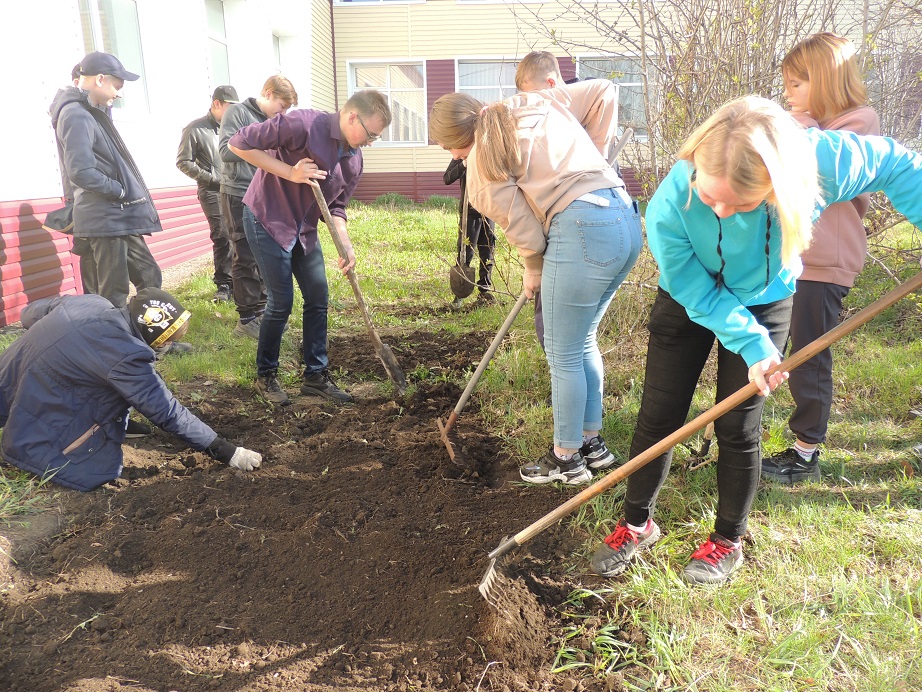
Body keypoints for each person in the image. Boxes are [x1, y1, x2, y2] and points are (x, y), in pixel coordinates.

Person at [588, 96, 922, 586]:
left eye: (741, 204)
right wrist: (754, 345)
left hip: (766, 297)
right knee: (659, 414)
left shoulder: (817, 162)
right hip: (689, 297)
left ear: (778, 188)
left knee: (738, 423)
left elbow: (898, 162)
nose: (720, 210)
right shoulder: (669, 204)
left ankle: (727, 539)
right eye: (709, 198)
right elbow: (696, 291)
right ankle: (636, 523)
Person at [429, 81, 643, 486]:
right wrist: (594, 157)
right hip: (625, 218)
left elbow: (525, 230)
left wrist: (534, 269)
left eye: (448, 147)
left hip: (582, 229)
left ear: (458, 139)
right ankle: (591, 445)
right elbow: (602, 93)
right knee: (584, 341)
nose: (454, 156)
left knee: (563, 353)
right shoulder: (528, 102)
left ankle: (566, 459)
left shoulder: (479, 165)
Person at [761, 33, 881, 485]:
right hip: (790, 258)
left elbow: (825, 171)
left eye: (796, 84)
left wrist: (796, 124)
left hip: (825, 260)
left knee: (810, 353)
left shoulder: (860, 122)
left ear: (826, 80)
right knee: (772, 346)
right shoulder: (809, 123)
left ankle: (805, 451)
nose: (788, 94)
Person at [0, 289, 262, 492]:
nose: (168, 347)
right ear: (152, 336)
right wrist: (226, 451)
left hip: (9, 380)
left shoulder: (91, 302)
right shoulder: (126, 355)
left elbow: (28, 314)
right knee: (92, 464)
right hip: (39, 409)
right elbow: (166, 411)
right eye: (167, 341)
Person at [228, 90, 393, 406]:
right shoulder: (303, 124)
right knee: (281, 302)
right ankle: (266, 376)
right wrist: (290, 172)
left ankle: (315, 378)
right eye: (371, 134)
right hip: (268, 218)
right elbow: (238, 143)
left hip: (304, 228)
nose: (372, 141)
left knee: (318, 297)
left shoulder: (354, 161)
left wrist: (345, 245)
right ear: (351, 117)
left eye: (378, 137)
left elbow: (337, 208)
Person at [49, 52, 164, 312]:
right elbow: (80, 170)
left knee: (149, 277)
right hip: (105, 216)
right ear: (100, 79)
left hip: (119, 215)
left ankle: (154, 337)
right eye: (117, 86)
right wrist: (120, 190)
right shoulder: (76, 114)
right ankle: (117, 348)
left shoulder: (92, 111)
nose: (119, 94)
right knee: (113, 291)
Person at [218, 76, 298, 339]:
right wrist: (261, 142)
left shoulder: (274, 122)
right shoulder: (237, 112)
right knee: (244, 254)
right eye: (281, 105)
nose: (283, 112)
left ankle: (263, 310)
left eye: (287, 109)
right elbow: (226, 151)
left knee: (263, 252)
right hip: (238, 193)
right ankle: (246, 318)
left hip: (265, 196)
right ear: (267, 93)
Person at [513, 51, 567, 349]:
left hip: (568, 231)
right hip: (551, 228)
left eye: (532, 96)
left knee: (557, 339)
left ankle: (562, 384)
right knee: (566, 341)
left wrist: (533, 267)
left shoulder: (576, 110)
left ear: (549, 83)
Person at [176, 85, 240, 302]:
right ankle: (223, 285)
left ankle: (240, 283)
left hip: (235, 189)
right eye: (230, 107)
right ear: (217, 104)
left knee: (239, 236)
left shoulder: (234, 130)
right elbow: (183, 162)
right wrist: (213, 179)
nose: (234, 112)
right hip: (212, 191)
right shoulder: (195, 129)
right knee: (222, 235)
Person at [444, 157, 496, 307]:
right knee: (465, 251)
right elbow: (447, 178)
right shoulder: (461, 155)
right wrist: (463, 164)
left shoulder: (487, 155)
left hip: (489, 210)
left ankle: (484, 291)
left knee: (488, 251)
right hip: (470, 212)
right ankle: (460, 293)